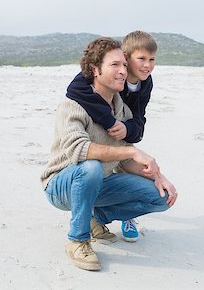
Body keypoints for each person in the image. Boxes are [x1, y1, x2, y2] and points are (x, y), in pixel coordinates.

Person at [40, 37, 177, 271]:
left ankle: (96, 219)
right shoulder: (73, 104)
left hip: (99, 183)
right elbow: (79, 150)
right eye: (115, 65)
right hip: (61, 185)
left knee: (161, 196)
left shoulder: (120, 107)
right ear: (95, 69)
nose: (123, 71)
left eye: (124, 65)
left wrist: (156, 175)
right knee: (91, 166)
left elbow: (123, 159)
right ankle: (77, 240)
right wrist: (132, 150)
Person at [65, 31, 157, 242]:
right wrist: (109, 120)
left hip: (124, 131)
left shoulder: (145, 83)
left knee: (131, 165)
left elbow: (139, 117)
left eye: (152, 60)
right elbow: (75, 89)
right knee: (98, 167)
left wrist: (127, 129)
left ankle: (122, 216)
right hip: (100, 129)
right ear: (126, 57)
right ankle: (84, 219)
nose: (147, 65)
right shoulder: (107, 73)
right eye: (141, 59)